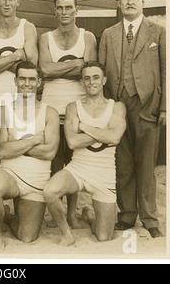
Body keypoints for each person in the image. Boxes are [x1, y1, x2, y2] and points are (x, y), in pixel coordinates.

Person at [99, 0, 166, 238]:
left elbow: (166, 70)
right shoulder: (109, 34)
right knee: (123, 164)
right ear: (118, 2)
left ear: (143, 2)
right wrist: (106, 110)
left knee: (146, 165)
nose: (129, 1)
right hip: (118, 106)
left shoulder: (158, 32)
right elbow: (102, 72)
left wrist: (165, 108)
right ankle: (126, 215)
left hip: (147, 105)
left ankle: (150, 218)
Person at [43, 62, 127, 245]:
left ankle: (88, 215)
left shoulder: (117, 107)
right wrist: (103, 132)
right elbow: (73, 142)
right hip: (78, 169)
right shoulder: (73, 107)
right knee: (49, 191)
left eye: (96, 77)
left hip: (104, 175)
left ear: (104, 80)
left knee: (104, 236)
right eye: (87, 78)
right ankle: (67, 234)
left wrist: (84, 126)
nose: (91, 82)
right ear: (82, 82)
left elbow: (115, 138)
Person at [0, 61, 60, 252]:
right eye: (22, 78)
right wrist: (34, 140)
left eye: (32, 79)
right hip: (10, 173)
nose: (27, 83)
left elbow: (49, 152)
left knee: (27, 237)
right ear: (15, 81)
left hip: (36, 180)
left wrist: (14, 142)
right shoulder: (3, 110)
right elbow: (1, 151)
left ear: (39, 82)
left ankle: (8, 216)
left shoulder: (49, 112)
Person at [38, 0, 98, 229]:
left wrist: (57, 68)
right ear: (55, 10)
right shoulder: (46, 38)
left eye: (68, 8)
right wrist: (76, 63)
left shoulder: (88, 37)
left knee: (75, 163)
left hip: (78, 110)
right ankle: (58, 212)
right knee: (54, 161)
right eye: (60, 8)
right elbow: (44, 70)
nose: (64, 12)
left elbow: (88, 71)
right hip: (52, 108)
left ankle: (72, 213)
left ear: (76, 10)